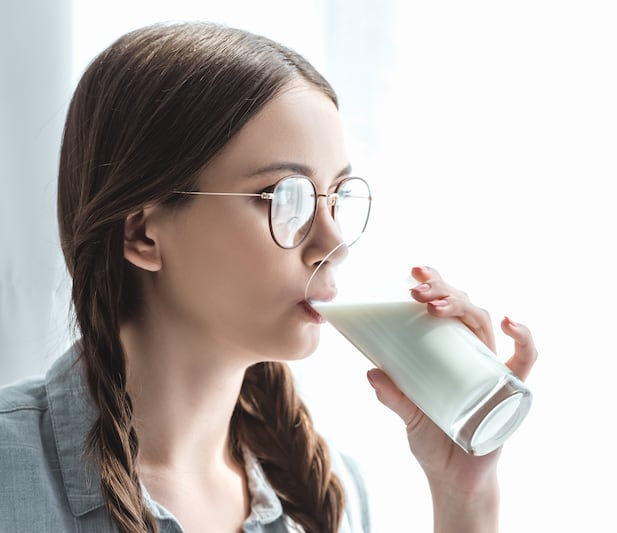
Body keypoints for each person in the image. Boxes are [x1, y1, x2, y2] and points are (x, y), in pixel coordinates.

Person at [0, 21, 538, 533]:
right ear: (143, 235)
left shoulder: (329, 495)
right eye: (286, 197)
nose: (334, 244)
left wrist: (462, 495)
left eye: (336, 197)